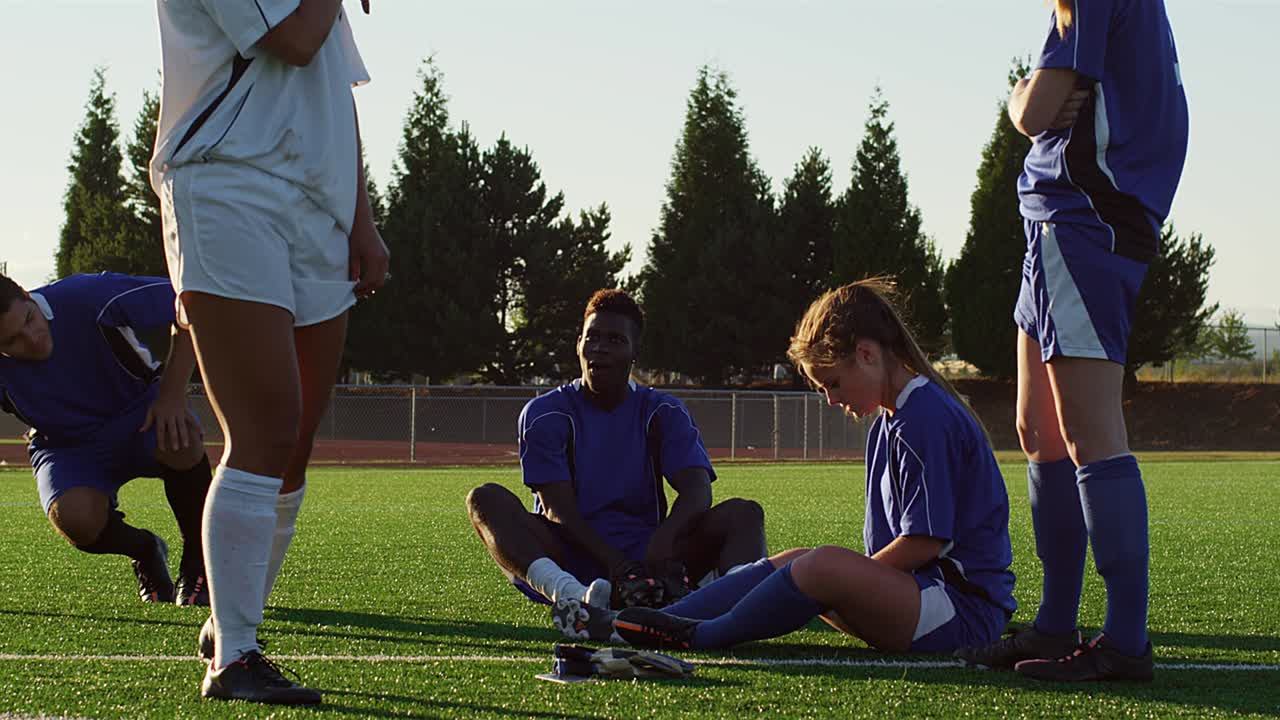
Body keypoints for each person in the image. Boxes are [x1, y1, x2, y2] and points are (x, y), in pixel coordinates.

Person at [150, 0, 388, 705]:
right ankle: (236, 657)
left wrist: (362, 222)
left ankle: (229, 621)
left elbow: (336, 96)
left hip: (313, 200)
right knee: (264, 428)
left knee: (296, 437)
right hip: (226, 181)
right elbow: (294, 38)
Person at [580, 280, 1016, 656]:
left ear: (866, 354)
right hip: (924, 601)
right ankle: (646, 620)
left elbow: (923, 543)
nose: (831, 399)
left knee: (822, 565)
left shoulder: (923, 418)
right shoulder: (895, 417)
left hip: (960, 613)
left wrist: (849, 579)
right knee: (797, 560)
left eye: (833, 383)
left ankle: (700, 636)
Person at [956, 0, 1188, 683]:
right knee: (1040, 431)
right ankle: (1057, 625)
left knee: (1090, 431)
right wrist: (1024, 95)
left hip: (1085, 217)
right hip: (1058, 217)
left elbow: (1035, 113)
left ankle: (1125, 642)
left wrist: (1020, 97)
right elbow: (1037, 103)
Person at [465, 289, 768, 640]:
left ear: (634, 352)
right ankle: (574, 598)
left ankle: (725, 603)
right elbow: (557, 511)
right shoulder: (545, 413)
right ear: (578, 343)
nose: (599, 348)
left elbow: (698, 491)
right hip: (572, 554)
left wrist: (662, 543)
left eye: (614, 339)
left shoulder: (662, 410)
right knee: (485, 499)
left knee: (744, 513)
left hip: (649, 551)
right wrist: (616, 565)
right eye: (591, 337)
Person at [0, 272, 210, 606]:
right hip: (66, 444)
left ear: (28, 295)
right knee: (75, 519)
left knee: (182, 438)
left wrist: (172, 395)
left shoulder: (90, 295)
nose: (33, 338)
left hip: (140, 414)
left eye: (29, 319)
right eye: (12, 342)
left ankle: (198, 561)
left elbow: (193, 303)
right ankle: (145, 549)